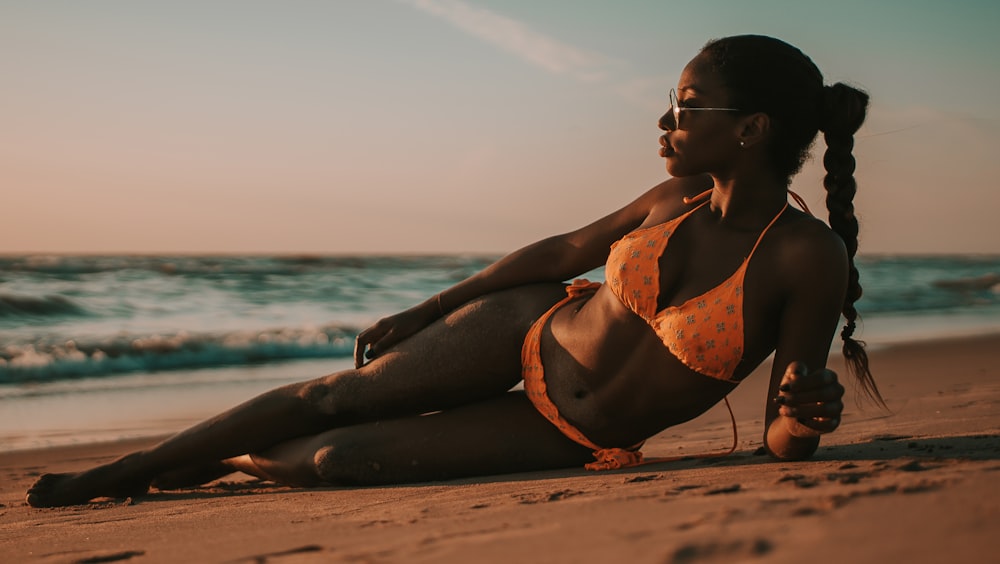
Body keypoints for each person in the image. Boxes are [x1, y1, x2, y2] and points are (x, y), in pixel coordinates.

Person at [26, 34, 884, 507]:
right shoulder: (674, 195)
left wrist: (807, 416)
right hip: (529, 328)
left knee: (329, 461)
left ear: (752, 129)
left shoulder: (808, 258)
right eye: (672, 100)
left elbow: (784, 437)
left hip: (576, 435)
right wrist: (430, 307)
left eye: (690, 106)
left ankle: (224, 461)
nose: (666, 118)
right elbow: (561, 254)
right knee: (332, 395)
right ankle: (124, 472)